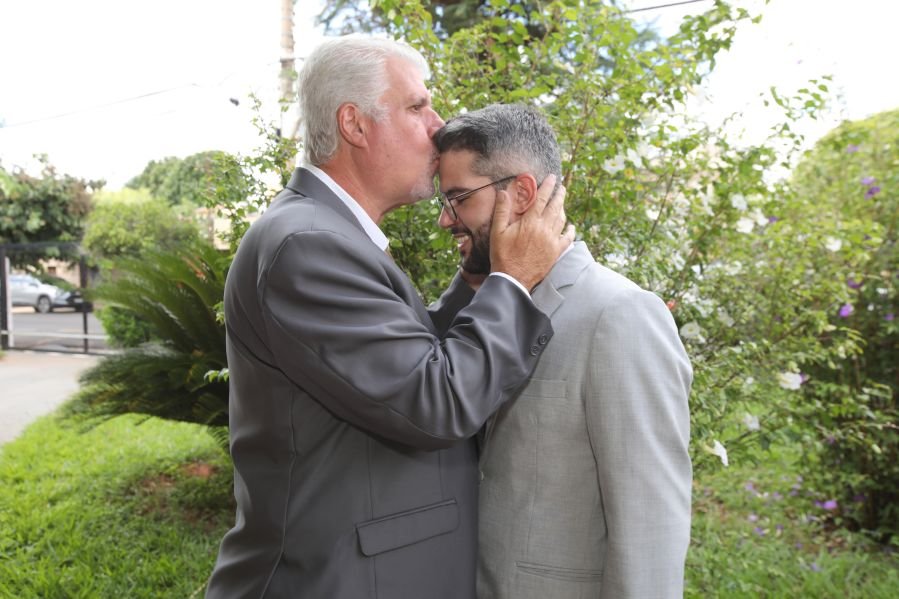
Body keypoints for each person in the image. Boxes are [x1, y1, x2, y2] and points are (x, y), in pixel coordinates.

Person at [205, 37, 573, 598]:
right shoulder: (307, 244)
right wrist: (512, 282)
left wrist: (478, 276)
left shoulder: (325, 233)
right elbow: (435, 402)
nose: (437, 123)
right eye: (417, 106)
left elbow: (396, 363)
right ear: (354, 124)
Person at [433, 103, 693, 598]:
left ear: (523, 193)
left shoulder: (619, 315)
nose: (447, 220)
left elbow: (650, 524)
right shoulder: (484, 306)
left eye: (460, 198)